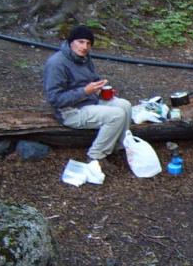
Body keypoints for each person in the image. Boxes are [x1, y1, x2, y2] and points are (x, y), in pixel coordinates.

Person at [43, 25, 132, 163]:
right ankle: (96, 155)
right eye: (81, 42)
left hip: (89, 101)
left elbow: (93, 80)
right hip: (70, 111)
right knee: (116, 115)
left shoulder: (84, 58)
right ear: (71, 42)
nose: (84, 47)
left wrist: (100, 89)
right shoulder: (57, 64)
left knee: (125, 105)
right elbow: (55, 99)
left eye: (88, 43)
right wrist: (85, 91)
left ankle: (120, 148)